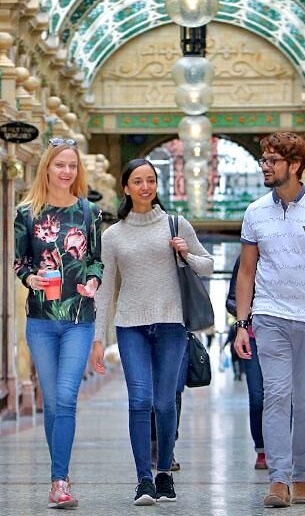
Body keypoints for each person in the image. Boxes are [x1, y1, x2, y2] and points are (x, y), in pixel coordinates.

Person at [89, 159, 213, 506]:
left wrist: (185, 252)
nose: (145, 186)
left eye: (151, 180)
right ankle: (144, 480)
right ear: (126, 188)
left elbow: (207, 264)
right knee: (140, 401)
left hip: (172, 325)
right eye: (138, 181)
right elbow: (105, 288)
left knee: (164, 401)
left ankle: (164, 475)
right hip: (131, 327)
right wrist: (98, 339)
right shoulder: (112, 235)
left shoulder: (176, 224)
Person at [233, 132, 305, 508]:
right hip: (270, 317)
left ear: (294, 165)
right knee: (276, 397)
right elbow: (246, 273)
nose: (265, 166)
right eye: (263, 160)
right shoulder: (254, 212)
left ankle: (303, 474)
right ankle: (279, 479)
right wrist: (242, 324)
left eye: (272, 160)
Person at [14, 138, 103, 509]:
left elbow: (97, 259)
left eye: (72, 165)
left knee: (66, 397)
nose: (66, 171)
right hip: (40, 321)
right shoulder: (27, 213)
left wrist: (94, 280)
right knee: (52, 403)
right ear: (47, 168)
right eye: (59, 165)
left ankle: (59, 481)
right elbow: (20, 261)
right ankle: (59, 474)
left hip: (79, 320)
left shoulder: (89, 212)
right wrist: (29, 278)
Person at [226, 254, 267, 470]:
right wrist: (246, 312)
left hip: (284, 334)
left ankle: (282, 448)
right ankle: (262, 450)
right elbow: (231, 299)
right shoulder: (246, 257)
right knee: (258, 397)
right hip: (253, 335)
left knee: (285, 395)